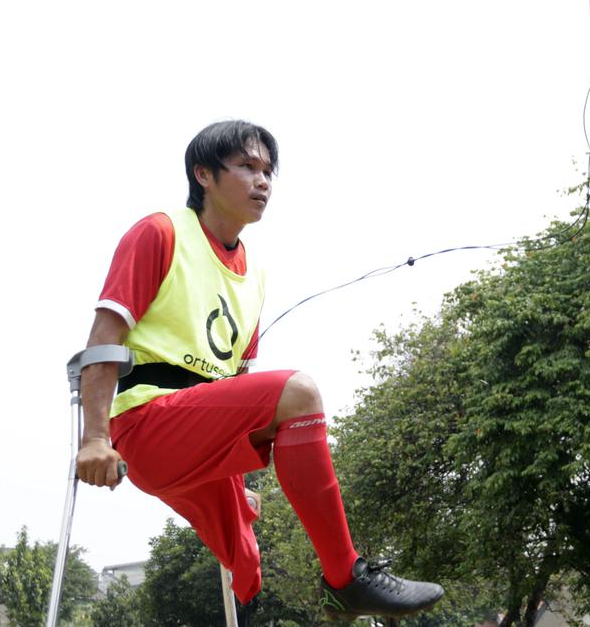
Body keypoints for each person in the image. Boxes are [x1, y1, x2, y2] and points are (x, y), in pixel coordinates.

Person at [74, 120, 444, 620]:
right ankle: (346, 577)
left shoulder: (255, 274)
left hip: (201, 429)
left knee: (247, 561)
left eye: (268, 170)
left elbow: (238, 384)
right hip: (145, 423)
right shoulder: (159, 233)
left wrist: (242, 472)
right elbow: (104, 340)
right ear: (203, 175)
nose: (263, 181)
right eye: (247, 167)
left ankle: (276, 603)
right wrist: (95, 439)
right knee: (300, 391)